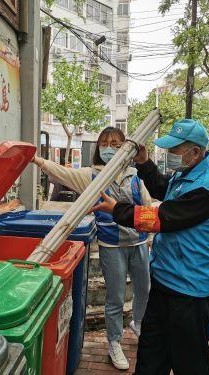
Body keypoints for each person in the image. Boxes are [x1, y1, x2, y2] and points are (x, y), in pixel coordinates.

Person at [93, 119, 209, 375]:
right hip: (166, 282)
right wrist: (144, 163)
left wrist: (117, 210)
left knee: (190, 363)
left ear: (196, 152)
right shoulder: (187, 174)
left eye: (175, 150)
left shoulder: (208, 189)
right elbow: (162, 188)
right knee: (151, 356)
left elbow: (160, 218)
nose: (170, 155)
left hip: (191, 292)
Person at [32, 127, 152, 370]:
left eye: (117, 144)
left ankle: (138, 325)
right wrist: (38, 160)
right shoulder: (92, 175)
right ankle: (114, 342)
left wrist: (153, 232)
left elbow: (148, 205)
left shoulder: (134, 174)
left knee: (145, 290)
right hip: (112, 245)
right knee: (116, 297)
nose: (110, 148)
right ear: (98, 148)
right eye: (105, 144)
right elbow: (62, 173)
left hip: (139, 243)